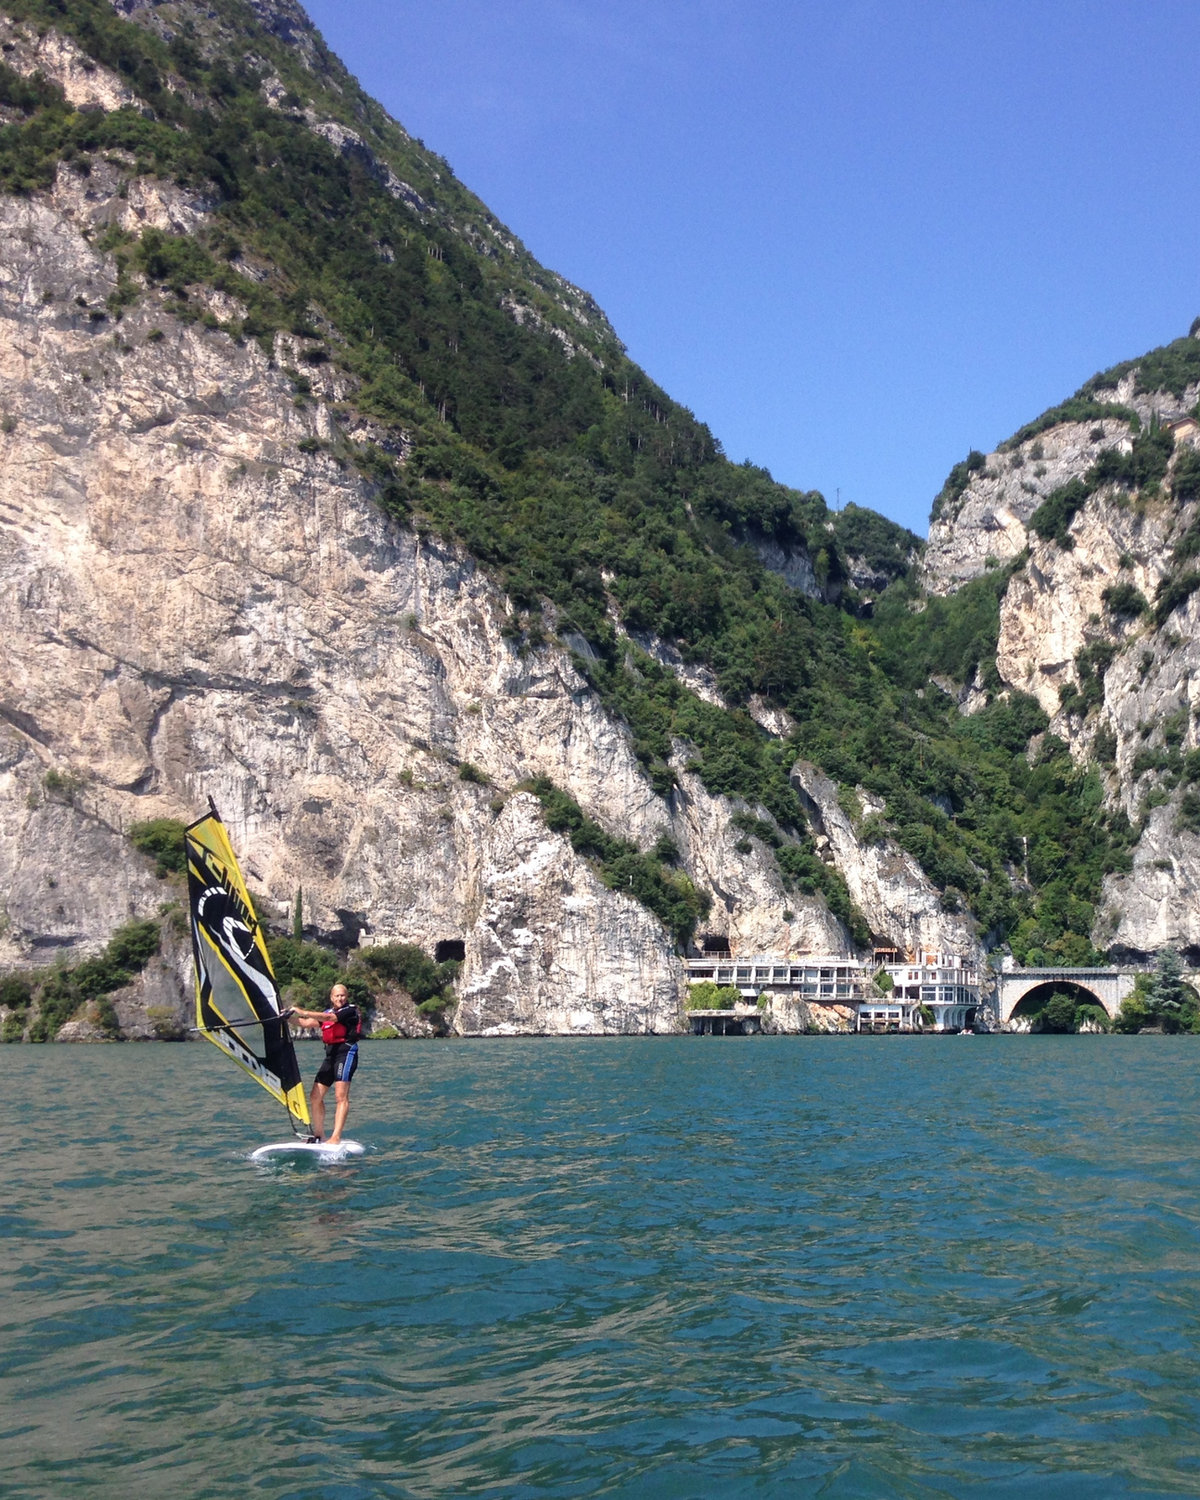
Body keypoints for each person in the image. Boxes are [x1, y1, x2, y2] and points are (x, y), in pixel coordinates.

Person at [290, 983, 362, 1143]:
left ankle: (336, 1136)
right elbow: (306, 1023)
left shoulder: (350, 1011)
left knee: (340, 1096)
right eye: (337, 996)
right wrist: (286, 1017)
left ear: (347, 996)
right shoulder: (327, 1013)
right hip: (330, 1056)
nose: (340, 998)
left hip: (345, 1054)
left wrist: (304, 1011)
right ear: (331, 998)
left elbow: (330, 1019)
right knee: (315, 1096)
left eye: (342, 995)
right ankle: (319, 1135)